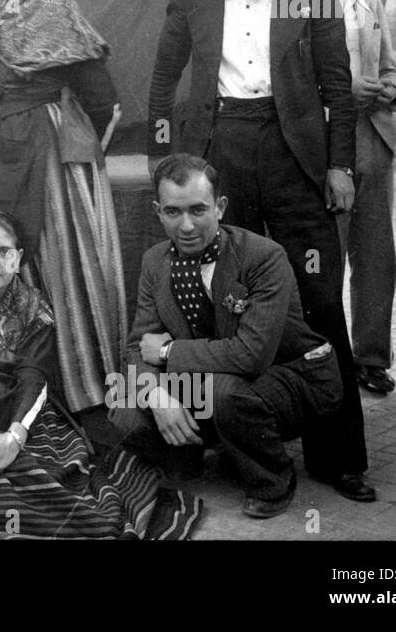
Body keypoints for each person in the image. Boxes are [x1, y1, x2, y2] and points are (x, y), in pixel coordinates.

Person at [146, 0, 374, 503]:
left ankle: (339, 455)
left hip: (295, 156)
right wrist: (166, 164)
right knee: (226, 300)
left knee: (322, 301)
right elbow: (162, 87)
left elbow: (338, 90)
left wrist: (339, 166)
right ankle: (233, 441)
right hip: (222, 152)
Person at [0, 209, 201, 539]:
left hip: (19, 408)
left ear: (19, 257)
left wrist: (12, 439)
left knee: (28, 482)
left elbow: (33, 379)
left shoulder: (32, 305)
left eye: (4, 251)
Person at [110, 154, 344, 518]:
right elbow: (136, 346)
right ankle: (189, 450)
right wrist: (158, 397)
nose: (186, 226)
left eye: (198, 210)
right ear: (157, 211)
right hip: (215, 377)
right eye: (173, 212)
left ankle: (272, 479)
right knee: (123, 399)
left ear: (220, 207)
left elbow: (251, 355)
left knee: (221, 392)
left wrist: (170, 352)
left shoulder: (263, 256)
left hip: (293, 377)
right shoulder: (155, 261)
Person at [0, 0, 125, 415]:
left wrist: (72, 165)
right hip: (1, 150)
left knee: (52, 264)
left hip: (46, 160)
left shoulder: (54, 9)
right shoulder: (3, 7)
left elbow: (102, 100)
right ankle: (19, 389)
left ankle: (73, 390)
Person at [300, 0, 396, 395]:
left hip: (372, 140)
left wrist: (388, 90)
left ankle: (371, 358)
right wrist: (337, 97)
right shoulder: (290, 5)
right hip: (322, 145)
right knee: (325, 254)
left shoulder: (368, 2)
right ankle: (325, 358)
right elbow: (287, 84)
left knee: (376, 255)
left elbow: (391, 67)